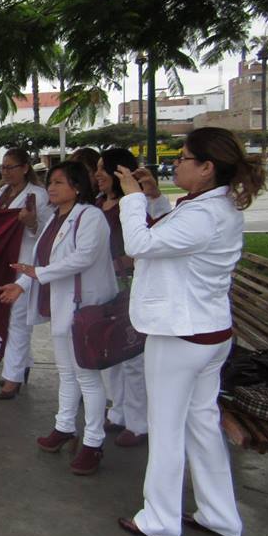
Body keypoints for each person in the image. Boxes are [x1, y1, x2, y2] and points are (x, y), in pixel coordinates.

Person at [114, 127, 264, 536]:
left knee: (167, 428)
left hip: (181, 335)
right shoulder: (213, 207)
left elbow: (140, 243)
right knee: (201, 424)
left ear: (207, 167)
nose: (175, 164)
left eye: (182, 158)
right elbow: (172, 236)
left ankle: (159, 520)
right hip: (208, 333)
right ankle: (219, 515)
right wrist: (154, 198)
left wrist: (130, 198)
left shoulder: (204, 214)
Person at [0, 161, 117, 475]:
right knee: (67, 374)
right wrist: (22, 285)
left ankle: (93, 442)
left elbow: (83, 256)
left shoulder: (91, 216)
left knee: (87, 379)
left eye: (60, 183)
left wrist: (39, 274)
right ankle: (64, 426)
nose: (51, 188)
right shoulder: (54, 219)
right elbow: (39, 260)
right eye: (50, 182)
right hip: (62, 306)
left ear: (77, 186)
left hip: (85, 308)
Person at [94, 148, 172, 447]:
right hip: (105, 289)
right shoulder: (100, 203)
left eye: (104, 168)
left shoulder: (134, 204)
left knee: (132, 358)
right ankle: (119, 411)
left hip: (131, 289)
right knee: (110, 354)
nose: (98, 174)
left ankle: (139, 422)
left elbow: (153, 238)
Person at [0, 149, 52, 400]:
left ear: (25, 167)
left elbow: (46, 233)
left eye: (11, 167)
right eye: (4, 167)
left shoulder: (38, 195)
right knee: (7, 316)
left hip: (25, 261)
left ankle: (13, 377)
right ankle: (22, 364)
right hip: (2, 262)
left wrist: (30, 223)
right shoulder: (0, 192)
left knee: (18, 319)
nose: (6, 172)